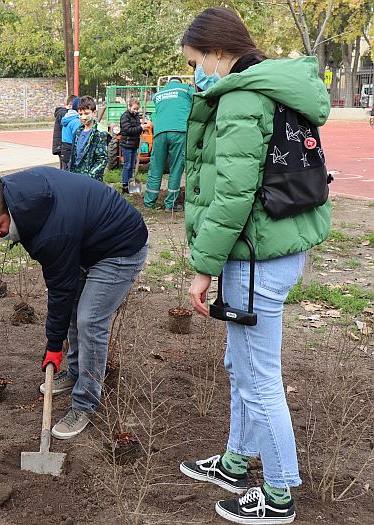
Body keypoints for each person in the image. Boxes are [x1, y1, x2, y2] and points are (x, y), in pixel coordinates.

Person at [178, 8, 331, 525]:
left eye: (198, 62)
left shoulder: (243, 95)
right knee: (238, 366)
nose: (199, 73)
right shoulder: (274, 87)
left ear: (219, 53)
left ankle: (280, 493)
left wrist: (204, 267)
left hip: (259, 255)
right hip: (271, 247)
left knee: (260, 377)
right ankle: (236, 462)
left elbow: (233, 194)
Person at [0, 167, 148, 439]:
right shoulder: (15, 195)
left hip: (121, 247)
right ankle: (76, 372)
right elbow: (63, 292)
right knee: (75, 310)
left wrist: (54, 346)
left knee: (89, 320)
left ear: (10, 210)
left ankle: (85, 403)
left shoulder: (50, 233)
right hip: (86, 242)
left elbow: (60, 289)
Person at [143, 76, 194, 212]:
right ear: (180, 81)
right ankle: (170, 204)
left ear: (168, 82)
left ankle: (149, 203)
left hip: (159, 132)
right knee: (176, 168)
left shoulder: (158, 94)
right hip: (179, 131)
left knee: (155, 168)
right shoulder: (187, 89)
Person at [68, 96, 108, 182]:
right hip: (76, 176)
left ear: (94, 113)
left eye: (86, 113)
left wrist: (90, 176)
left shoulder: (99, 133)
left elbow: (102, 159)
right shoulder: (78, 131)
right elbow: (74, 155)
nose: (83, 117)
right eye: (80, 114)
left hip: (91, 180)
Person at [119, 97, 143, 194]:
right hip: (127, 144)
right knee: (127, 165)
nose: (136, 111)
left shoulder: (136, 116)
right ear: (129, 107)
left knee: (132, 165)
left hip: (134, 144)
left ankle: (130, 184)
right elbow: (128, 130)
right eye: (134, 109)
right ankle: (125, 186)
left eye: (137, 109)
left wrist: (142, 128)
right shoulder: (125, 116)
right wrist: (140, 127)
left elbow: (137, 128)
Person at [52, 95, 75, 169]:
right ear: (71, 104)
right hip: (62, 145)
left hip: (61, 145)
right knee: (64, 167)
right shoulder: (64, 114)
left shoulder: (62, 113)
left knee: (63, 166)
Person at [60, 97, 81, 169]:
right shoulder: (76, 121)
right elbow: (77, 138)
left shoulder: (68, 117)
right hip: (71, 149)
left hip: (65, 149)